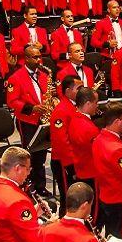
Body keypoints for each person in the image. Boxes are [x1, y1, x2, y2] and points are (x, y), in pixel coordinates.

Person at [6, 44, 52, 195]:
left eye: (40, 57)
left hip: (43, 119)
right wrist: (32, 108)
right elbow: (12, 102)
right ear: (26, 58)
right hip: (27, 120)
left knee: (41, 154)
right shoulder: (15, 77)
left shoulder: (44, 75)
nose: (39, 60)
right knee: (29, 155)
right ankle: (28, 186)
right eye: (35, 57)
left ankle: (40, 186)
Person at [91, 102, 122, 240]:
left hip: (106, 195)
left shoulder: (99, 139)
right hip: (121, 200)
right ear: (117, 121)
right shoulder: (117, 149)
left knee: (112, 236)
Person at [49, 75, 83, 207]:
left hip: (76, 159)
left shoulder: (76, 106)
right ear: (68, 91)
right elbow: (62, 142)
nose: (82, 91)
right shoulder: (61, 111)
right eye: (79, 88)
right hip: (64, 162)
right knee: (68, 198)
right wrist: (71, 166)